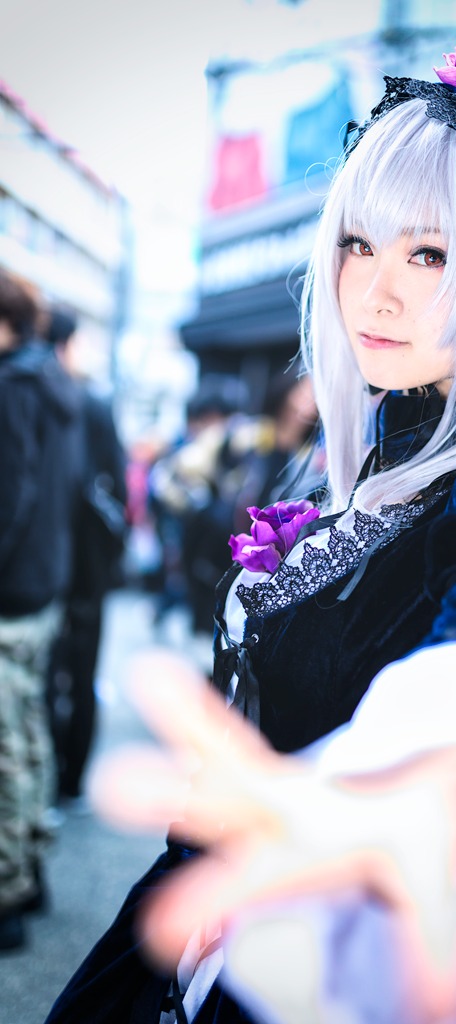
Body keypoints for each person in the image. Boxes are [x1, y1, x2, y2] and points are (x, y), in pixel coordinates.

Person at [45, 40, 456, 1023]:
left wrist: (406, 795)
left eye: (428, 251)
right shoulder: (370, 474)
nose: (373, 289)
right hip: (181, 949)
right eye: (357, 242)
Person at [0, 273, 82, 951]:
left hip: (10, 591)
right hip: (41, 586)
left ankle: (8, 891)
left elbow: (8, 498)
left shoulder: (10, 386)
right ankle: (30, 866)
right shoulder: (53, 384)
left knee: (7, 743)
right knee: (24, 731)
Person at [44, 309, 128, 806]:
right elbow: (116, 490)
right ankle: (71, 776)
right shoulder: (92, 404)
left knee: (51, 673)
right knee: (80, 670)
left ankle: (62, 771)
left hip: (55, 566)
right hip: (88, 569)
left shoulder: (65, 402)